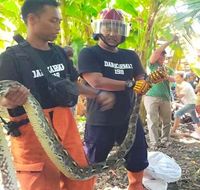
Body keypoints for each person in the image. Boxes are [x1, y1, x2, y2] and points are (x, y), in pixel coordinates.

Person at [0, 0, 115, 189]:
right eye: (53, 21)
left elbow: (71, 85)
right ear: (32, 19)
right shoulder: (10, 59)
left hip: (66, 128)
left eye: (60, 21)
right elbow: (3, 98)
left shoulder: (59, 53)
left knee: (81, 182)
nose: (58, 27)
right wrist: (10, 101)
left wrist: (97, 93)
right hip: (31, 135)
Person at [77, 8, 154, 190]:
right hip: (100, 121)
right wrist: (129, 84)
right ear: (99, 29)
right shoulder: (89, 53)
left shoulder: (130, 55)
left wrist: (142, 84)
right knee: (92, 163)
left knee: (137, 159)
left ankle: (135, 187)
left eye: (117, 29)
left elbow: (140, 77)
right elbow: (96, 81)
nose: (112, 33)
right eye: (108, 28)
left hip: (129, 120)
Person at [144, 35, 178, 149]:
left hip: (165, 97)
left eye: (163, 55)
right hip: (151, 96)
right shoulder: (152, 65)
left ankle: (165, 139)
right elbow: (156, 52)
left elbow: (176, 79)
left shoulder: (168, 69)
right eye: (160, 54)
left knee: (167, 121)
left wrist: (166, 76)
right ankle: (154, 143)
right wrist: (171, 40)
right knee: (153, 120)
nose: (162, 56)